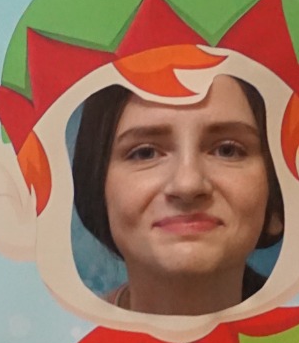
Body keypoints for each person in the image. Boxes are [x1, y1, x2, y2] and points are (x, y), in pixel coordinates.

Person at [70, 76, 284, 317]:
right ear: (97, 189)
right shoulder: (55, 339)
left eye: (227, 150)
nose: (188, 185)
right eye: (145, 153)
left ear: (277, 193)